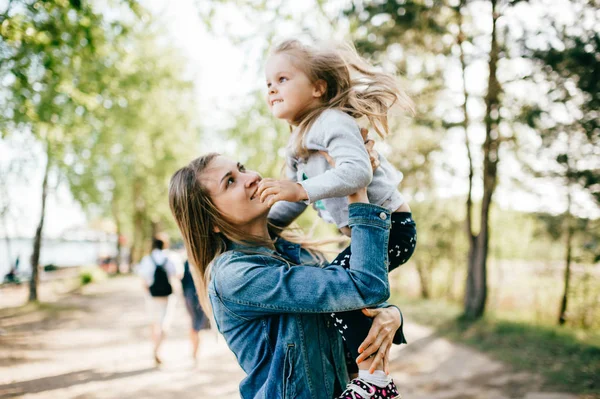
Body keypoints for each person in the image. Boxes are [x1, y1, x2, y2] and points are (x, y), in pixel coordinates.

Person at [169, 153, 404, 398]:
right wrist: (356, 190)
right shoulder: (236, 276)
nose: (252, 177)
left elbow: (351, 301)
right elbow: (365, 287)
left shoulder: (302, 256)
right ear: (211, 222)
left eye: (242, 168)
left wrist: (392, 315)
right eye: (229, 181)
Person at [256, 38, 418, 393]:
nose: (271, 88)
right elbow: (295, 202)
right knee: (341, 294)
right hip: (367, 232)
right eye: (267, 83)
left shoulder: (331, 121)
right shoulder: (298, 140)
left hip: (392, 228)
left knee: (342, 289)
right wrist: (263, 228)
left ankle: (375, 380)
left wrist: (299, 189)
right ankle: (355, 375)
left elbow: (357, 172)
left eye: (282, 79)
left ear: (318, 87)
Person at [136, 233, 181, 365]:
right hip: (167, 296)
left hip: (151, 296)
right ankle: (158, 350)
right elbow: (178, 275)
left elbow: (143, 280)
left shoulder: (147, 259)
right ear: (165, 244)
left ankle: (154, 348)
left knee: (153, 323)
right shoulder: (171, 257)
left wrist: (149, 292)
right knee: (164, 323)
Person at [181, 259, 209, 361]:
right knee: (196, 325)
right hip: (200, 295)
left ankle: (195, 350)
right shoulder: (203, 259)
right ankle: (195, 350)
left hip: (189, 295)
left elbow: (183, 281)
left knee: (194, 323)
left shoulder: (187, 262)